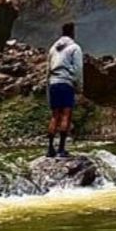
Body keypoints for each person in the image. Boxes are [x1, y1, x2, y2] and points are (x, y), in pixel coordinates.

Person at [47, 22, 83, 158]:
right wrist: (79, 86)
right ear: (72, 32)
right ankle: (61, 149)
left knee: (55, 116)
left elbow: (47, 68)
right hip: (66, 83)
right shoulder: (75, 48)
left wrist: (48, 85)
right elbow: (78, 69)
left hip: (53, 83)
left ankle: (50, 149)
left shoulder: (53, 48)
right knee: (66, 115)